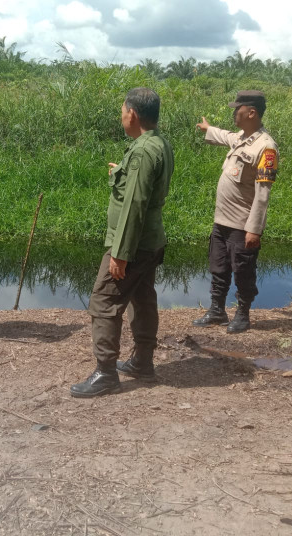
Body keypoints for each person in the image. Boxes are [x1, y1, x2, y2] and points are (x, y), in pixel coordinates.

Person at [70, 87, 175, 398]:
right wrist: (122, 172)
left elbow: (135, 206)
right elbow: (144, 187)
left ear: (133, 114)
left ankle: (105, 373)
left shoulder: (143, 151)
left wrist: (120, 253)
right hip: (151, 241)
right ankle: (142, 362)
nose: (121, 119)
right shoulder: (158, 144)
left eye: (122, 113)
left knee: (103, 302)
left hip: (135, 244)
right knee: (142, 298)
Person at [192, 90, 279, 333]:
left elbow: (263, 194)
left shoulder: (266, 148)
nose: (234, 113)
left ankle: (242, 315)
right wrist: (208, 128)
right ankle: (217, 311)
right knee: (218, 267)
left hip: (242, 225)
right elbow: (225, 136)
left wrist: (254, 229)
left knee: (243, 271)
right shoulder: (243, 137)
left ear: (251, 112)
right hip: (222, 221)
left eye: (237, 109)